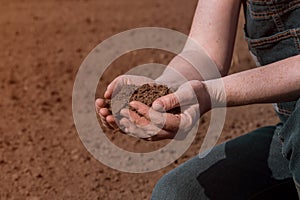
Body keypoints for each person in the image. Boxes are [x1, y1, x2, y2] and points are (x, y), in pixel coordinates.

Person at [95, 0, 300, 199]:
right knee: (176, 194)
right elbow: (204, 51)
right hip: (288, 132)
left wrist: (213, 93)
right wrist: (162, 89)